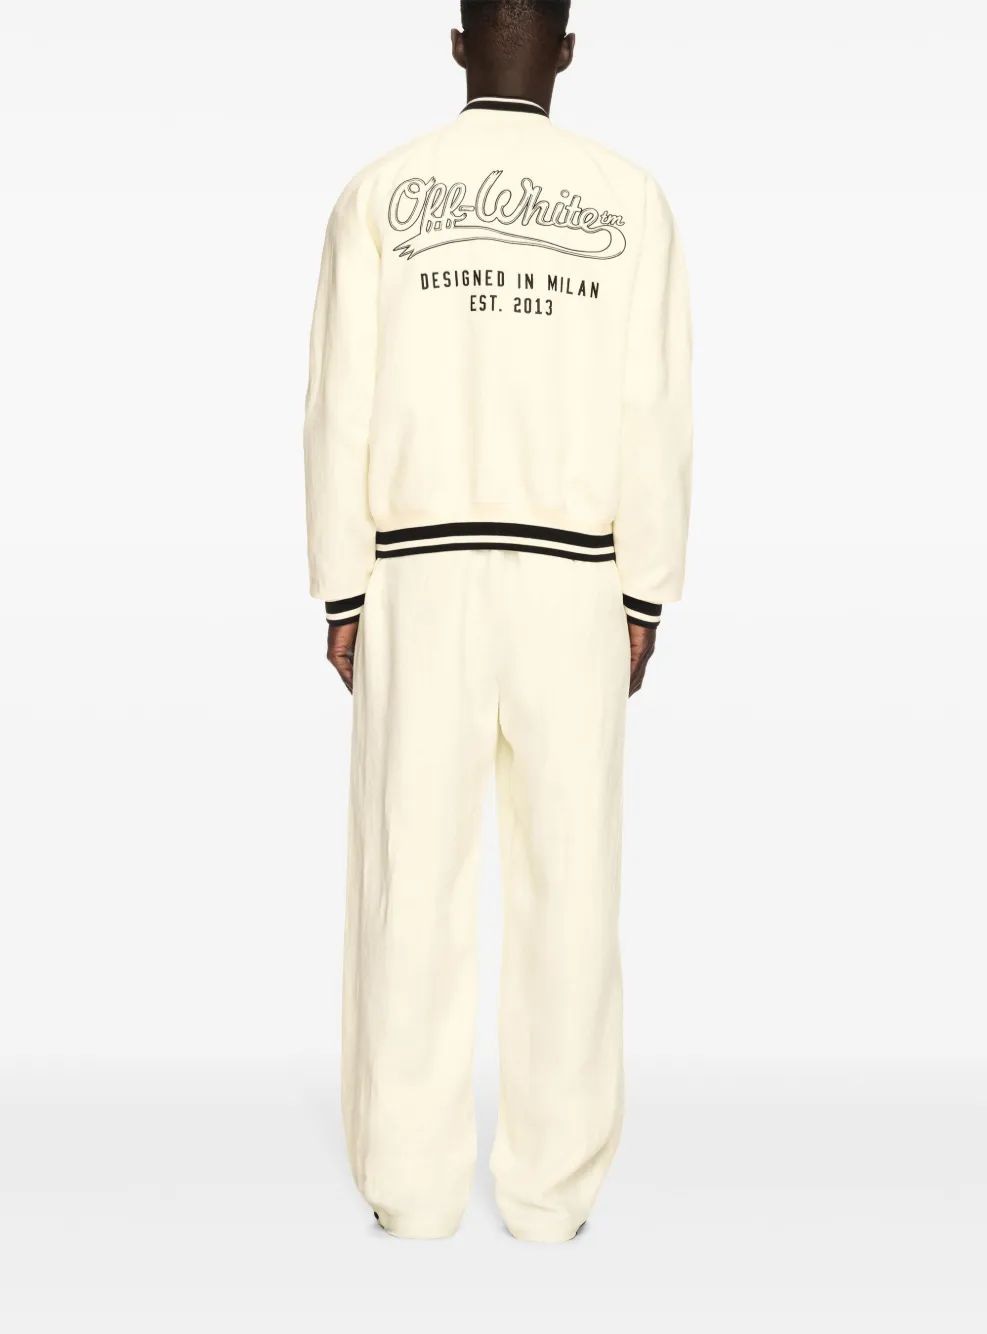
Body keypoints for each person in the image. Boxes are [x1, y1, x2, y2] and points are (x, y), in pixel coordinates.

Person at [304, 0, 692, 1243]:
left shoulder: (379, 193)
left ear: (459, 41)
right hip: (573, 576)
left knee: (408, 879)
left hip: (420, 571)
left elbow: (338, 404)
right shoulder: (630, 200)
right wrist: (644, 590)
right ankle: (550, 1195)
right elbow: (654, 408)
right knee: (571, 881)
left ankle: (410, 1190)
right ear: (566, 48)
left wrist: (343, 587)